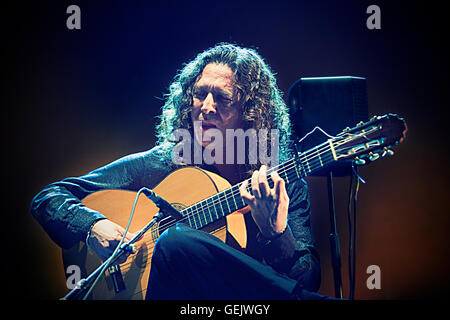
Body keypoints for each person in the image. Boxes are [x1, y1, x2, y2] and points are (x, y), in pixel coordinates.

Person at [30, 43, 330, 300]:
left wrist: (276, 233)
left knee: (176, 241)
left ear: (251, 111)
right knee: (174, 240)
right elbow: (49, 196)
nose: (206, 107)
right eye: (200, 95)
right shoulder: (168, 162)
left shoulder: (280, 181)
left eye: (222, 98)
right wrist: (93, 225)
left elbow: (305, 282)